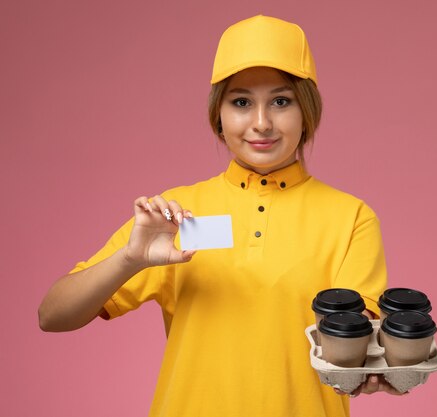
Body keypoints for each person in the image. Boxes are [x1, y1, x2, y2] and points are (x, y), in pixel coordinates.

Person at [39, 15, 399, 417]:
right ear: (219, 116)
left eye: (281, 101)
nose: (261, 123)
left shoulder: (350, 218)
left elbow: (358, 346)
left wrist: (377, 365)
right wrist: (130, 259)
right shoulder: (175, 216)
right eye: (241, 102)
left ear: (307, 111)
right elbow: (52, 316)